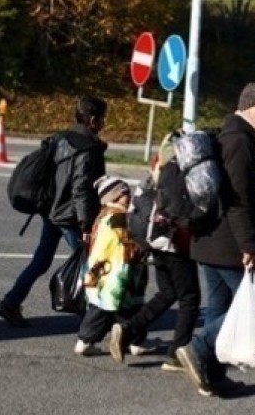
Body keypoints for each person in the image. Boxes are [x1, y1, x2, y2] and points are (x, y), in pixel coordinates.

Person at [175, 82, 255, 397]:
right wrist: (250, 247)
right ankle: (197, 350)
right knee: (241, 311)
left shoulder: (225, 135)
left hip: (209, 240)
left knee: (220, 310)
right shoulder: (240, 142)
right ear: (247, 107)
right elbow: (238, 201)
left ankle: (211, 374)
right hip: (229, 243)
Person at [0, 95, 108, 327]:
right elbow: (81, 189)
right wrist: (87, 225)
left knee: (42, 260)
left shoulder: (60, 139)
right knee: (89, 263)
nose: (104, 123)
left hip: (51, 211)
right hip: (70, 217)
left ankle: (11, 302)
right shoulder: (87, 148)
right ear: (93, 119)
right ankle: (93, 318)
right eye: (103, 119)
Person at [109, 153, 201, 372]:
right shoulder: (177, 181)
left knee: (168, 293)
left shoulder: (149, 181)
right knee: (190, 298)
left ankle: (128, 328)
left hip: (153, 244)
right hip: (173, 245)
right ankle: (176, 354)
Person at [74, 176, 150, 355]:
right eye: (124, 193)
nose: (128, 196)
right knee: (122, 309)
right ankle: (133, 342)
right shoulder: (119, 218)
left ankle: (86, 341)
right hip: (117, 271)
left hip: (102, 270)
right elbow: (121, 243)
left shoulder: (104, 215)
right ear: (113, 197)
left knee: (102, 307)